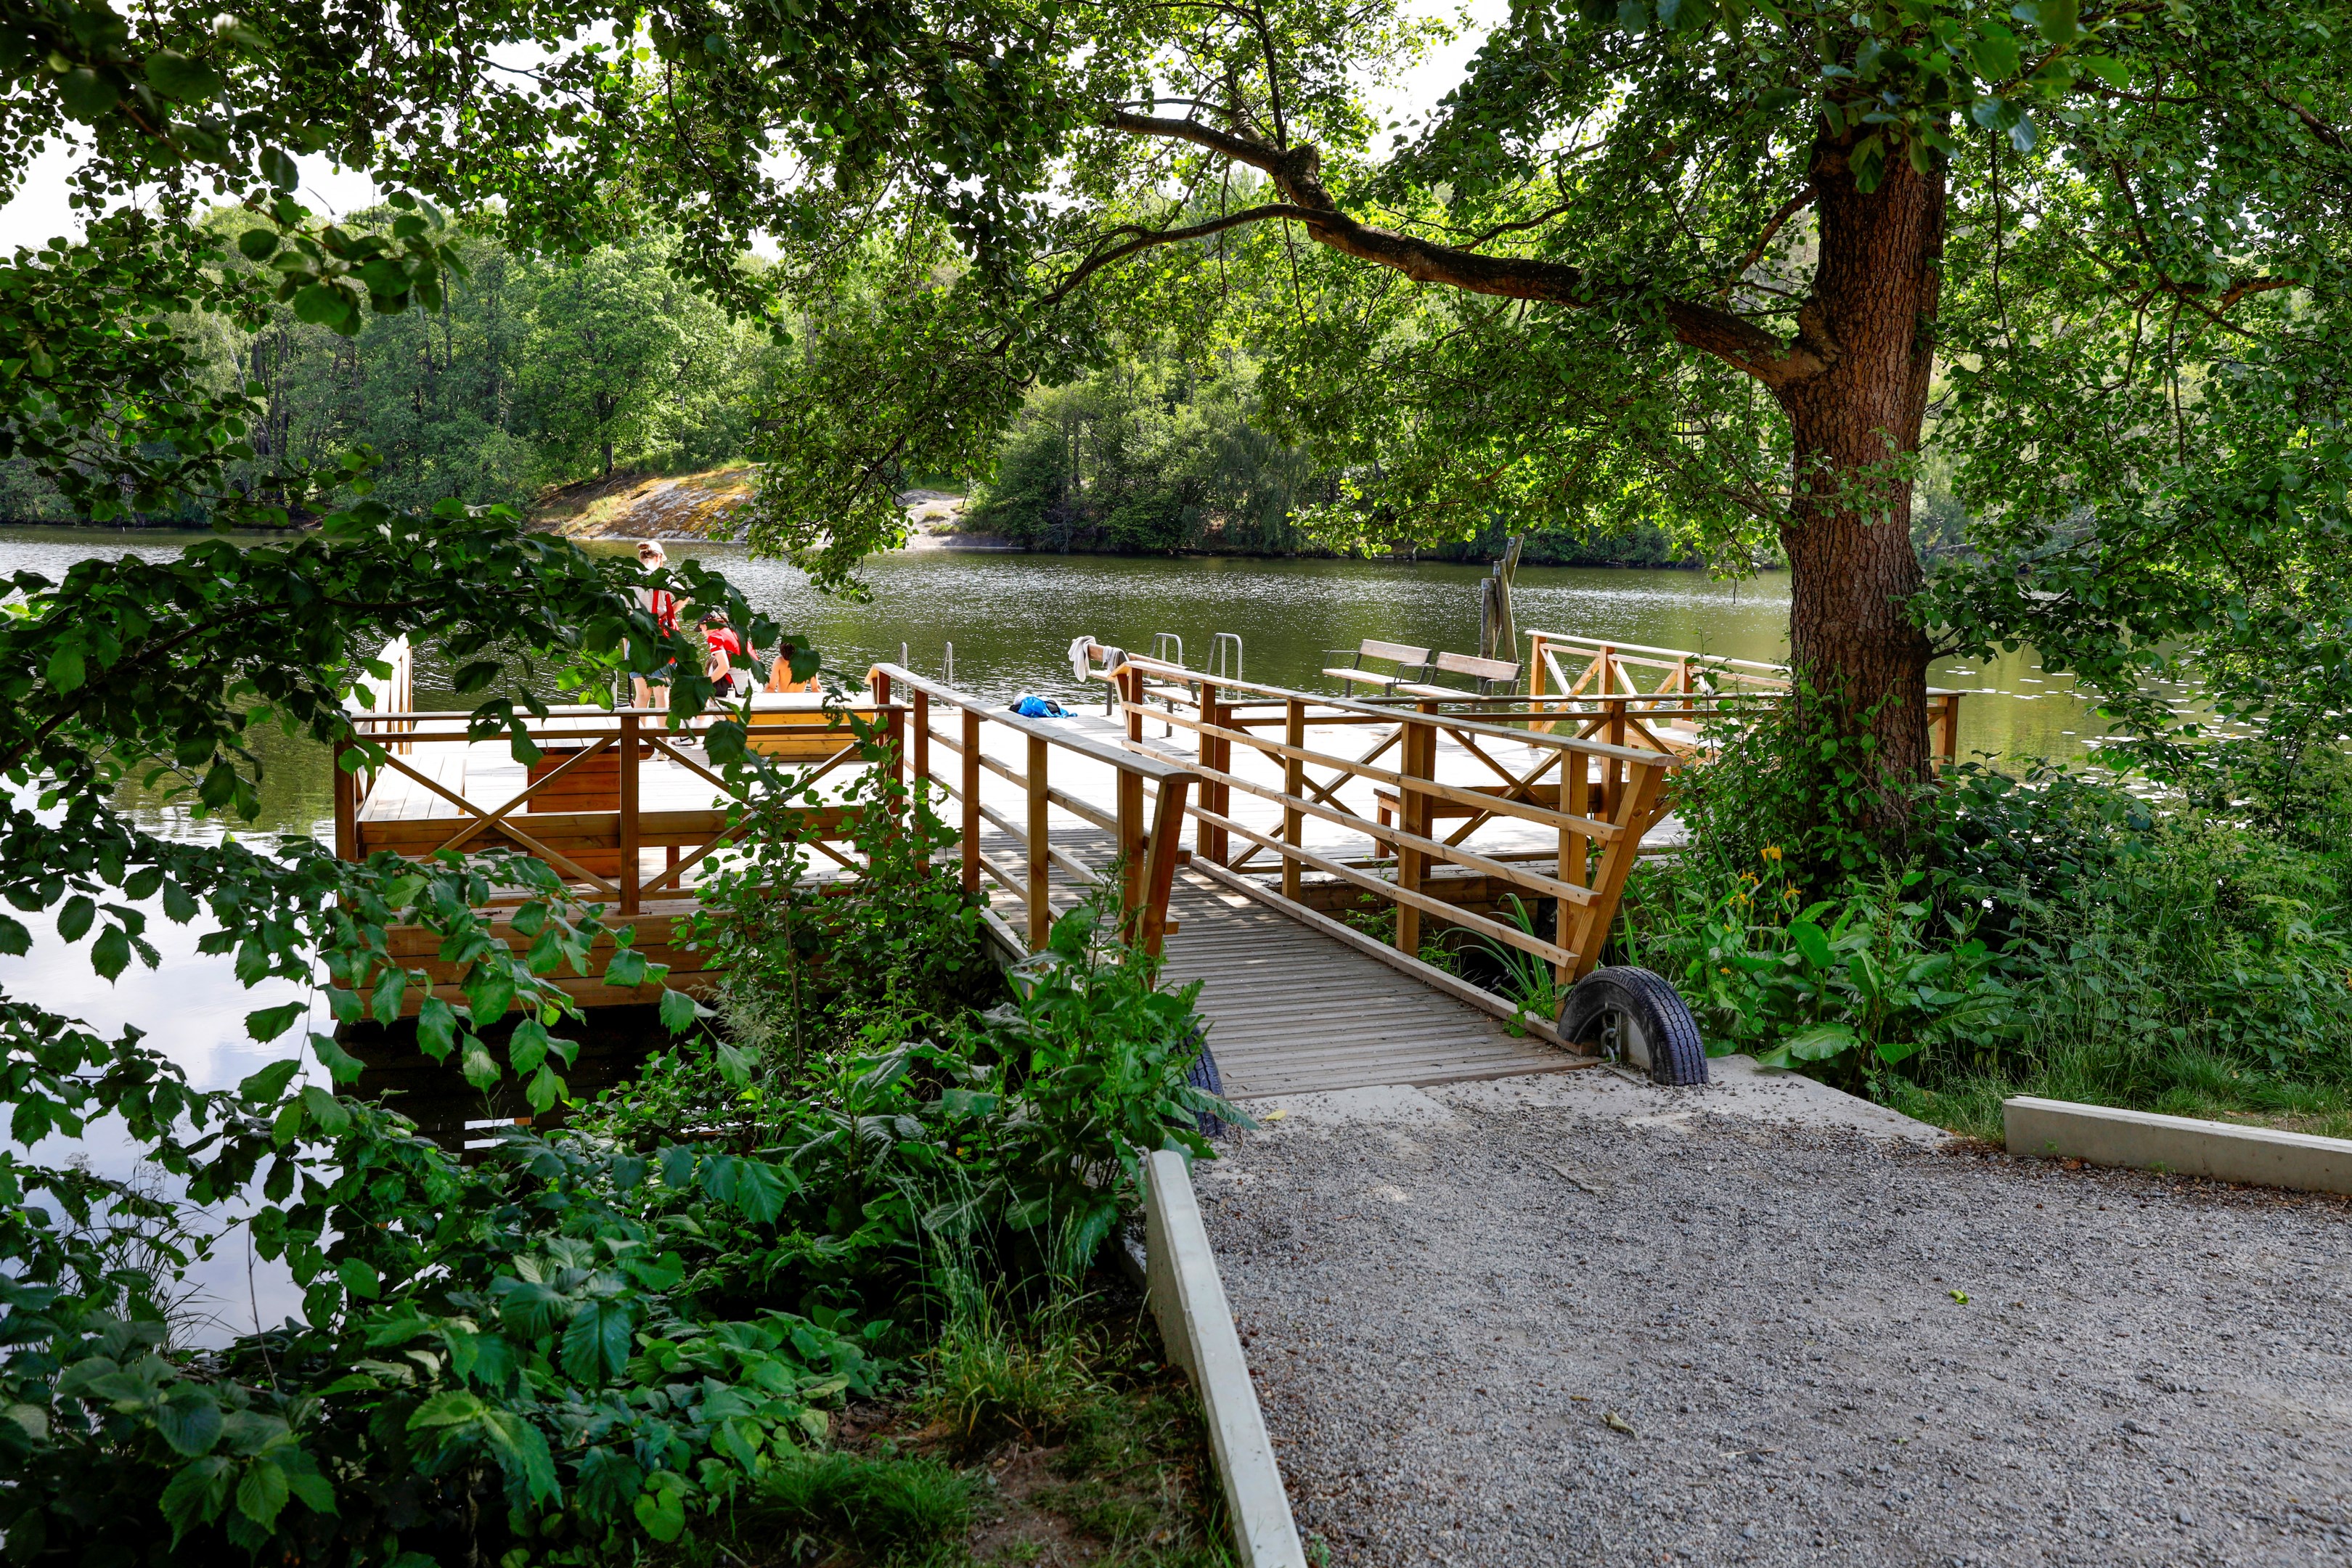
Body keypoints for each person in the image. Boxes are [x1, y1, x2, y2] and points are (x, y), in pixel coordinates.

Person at [632, 539, 679, 709]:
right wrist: (671, 610)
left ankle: (639, 728)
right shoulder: (663, 577)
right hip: (659, 639)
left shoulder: (628, 577)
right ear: (659, 558)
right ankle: (662, 729)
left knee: (642, 694)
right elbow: (685, 594)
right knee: (661, 693)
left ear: (641, 558)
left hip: (636, 638)